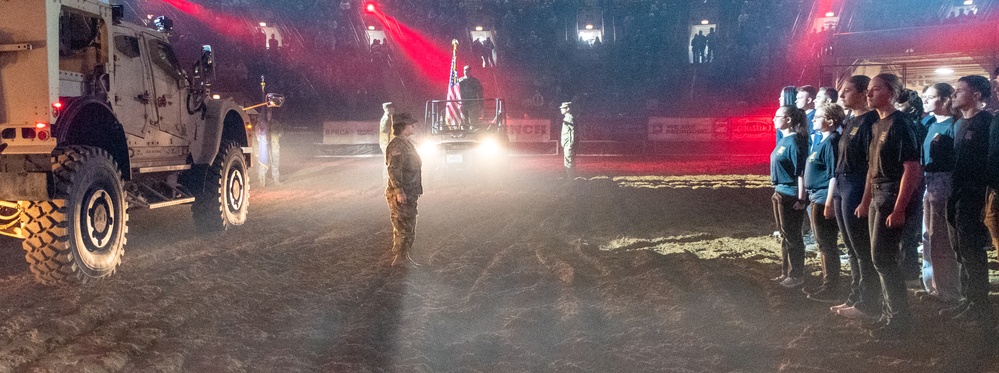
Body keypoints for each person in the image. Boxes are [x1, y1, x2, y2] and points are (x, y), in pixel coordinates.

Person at [855, 73, 922, 339]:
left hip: (891, 197)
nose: (868, 94)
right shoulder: (876, 125)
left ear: (893, 93)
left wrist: (900, 208)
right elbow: (872, 170)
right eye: (868, 90)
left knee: (883, 258)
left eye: (875, 89)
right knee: (877, 258)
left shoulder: (902, 124)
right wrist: (865, 201)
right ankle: (888, 314)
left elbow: (912, 169)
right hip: (878, 197)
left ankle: (899, 320)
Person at [940, 75, 995, 329]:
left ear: (976, 95)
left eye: (960, 91)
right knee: (959, 248)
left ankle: (979, 304)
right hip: (957, 192)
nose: (955, 95)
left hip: (974, 195)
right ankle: (968, 297)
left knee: (972, 250)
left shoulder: (987, 122)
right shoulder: (958, 123)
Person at [831, 75, 883, 320]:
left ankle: (869, 303)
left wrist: (864, 199)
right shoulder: (852, 120)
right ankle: (856, 296)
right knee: (851, 248)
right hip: (843, 184)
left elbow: (870, 164)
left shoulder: (871, 121)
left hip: (856, 184)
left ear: (864, 93)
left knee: (862, 248)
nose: (842, 95)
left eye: (848, 91)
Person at [918, 82, 960, 304]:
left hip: (944, 184)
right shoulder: (930, 123)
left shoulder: (953, 125)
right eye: (924, 96)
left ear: (945, 100)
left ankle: (948, 290)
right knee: (928, 236)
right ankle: (932, 285)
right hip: (929, 183)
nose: (925, 100)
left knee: (941, 237)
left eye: (931, 96)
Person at [802, 102, 843, 302]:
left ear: (830, 120)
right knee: (823, 244)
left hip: (822, 197)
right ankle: (828, 284)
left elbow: (834, 174)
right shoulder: (823, 140)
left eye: (818, 117)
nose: (814, 120)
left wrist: (829, 202)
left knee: (826, 244)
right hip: (815, 196)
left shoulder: (832, 142)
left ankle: (831, 287)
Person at [770, 105, 809, 289]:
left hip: (791, 194)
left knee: (793, 236)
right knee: (786, 236)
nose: (774, 119)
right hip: (781, 191)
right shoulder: (785, 140)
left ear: (789, 120)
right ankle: (786, 272)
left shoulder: (794, 142)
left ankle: (796, 274)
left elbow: (801, 173)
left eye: (778, 116)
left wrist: (801, 199)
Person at [385, 113, 423, 267]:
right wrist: (399, 190)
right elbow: (394, 169)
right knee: (404, 225)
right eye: (410, 124)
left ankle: (403, 256)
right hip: (402, 192)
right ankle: (400, 258)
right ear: (402, 127)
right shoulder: (397, 145)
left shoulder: (406, 143)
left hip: (409, 191)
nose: (413, 126)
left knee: (408, 223)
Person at [560, 102, 578, 179]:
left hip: (568, 143)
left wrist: (571, 143)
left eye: (563, 108)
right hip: (567, 143)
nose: (561, 110)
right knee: (568, 161)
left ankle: (571, 180)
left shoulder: (569, 118)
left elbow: (573, 131)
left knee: (569, 161)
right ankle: (570, 178)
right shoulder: (567, 118)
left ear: (568, 109)